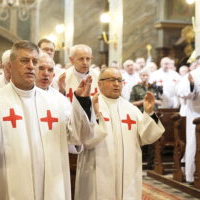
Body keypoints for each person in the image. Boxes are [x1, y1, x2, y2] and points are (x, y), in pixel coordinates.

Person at [0, 40, 95, 200]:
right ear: (10, 67)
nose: (31, 66)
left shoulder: (57, 102)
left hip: (51, 186)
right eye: (24, 61)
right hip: (8, 187)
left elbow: (79, 137)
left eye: (35, 62)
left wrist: (82, 102)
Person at [74, 67, 165, 200]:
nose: (116, 84)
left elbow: (147, 136)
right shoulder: (92, 104)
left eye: (119, 80)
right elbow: (86, 139)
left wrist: (150, 113)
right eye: (111, 80)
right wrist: (96, 115)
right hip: (98, 169)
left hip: (127, 170)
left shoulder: (131, 109)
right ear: (100, 84)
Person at [130, 68, 162, 170]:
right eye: (143, 75)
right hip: (140, 115)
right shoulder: (136, 88)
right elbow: (131, 102)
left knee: (153, 138)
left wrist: (153, 101)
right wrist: (142, 102)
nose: (145, 77)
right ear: (140, 76)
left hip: (153, 116)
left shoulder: (154, 87)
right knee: (140, 139)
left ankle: (151, 163)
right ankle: (139, 162)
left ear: (149, 76)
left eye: (146, 75)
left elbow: (161, 102)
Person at [176, 67, 200, 184]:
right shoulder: (192, 74)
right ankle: (191, 175)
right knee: (194, 143)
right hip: (195, 114)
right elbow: (181, 92)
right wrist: (192, 85)